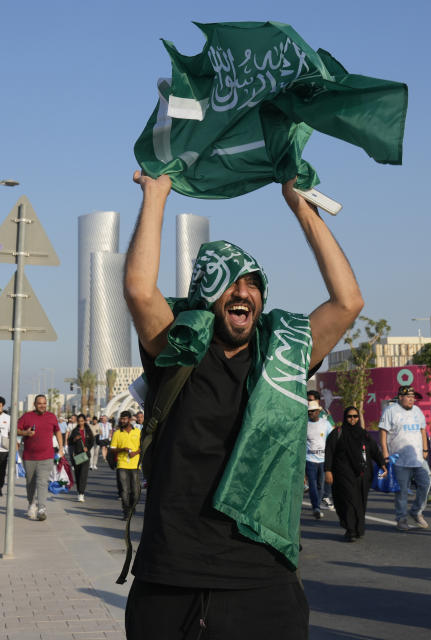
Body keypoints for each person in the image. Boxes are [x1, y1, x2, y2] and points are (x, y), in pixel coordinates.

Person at [122, 171, 362, 639]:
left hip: (264, 579)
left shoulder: (284, 354)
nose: (243, 291)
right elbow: (137, 289)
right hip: (171, 577)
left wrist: (301, 208)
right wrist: (156, 195)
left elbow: (347, 302)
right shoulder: (179, 350)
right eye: (231, 283)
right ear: (207, 295)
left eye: (253, 283)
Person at [325, 406, 387, 541]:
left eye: (355, 416)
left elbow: (374, 450)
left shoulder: (363, 434)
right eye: (349, 416)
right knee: (348, 501)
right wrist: (328, 470)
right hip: (343, 474)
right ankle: (350, 530)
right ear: (344, 418)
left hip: (362, 474)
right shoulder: (337, 433)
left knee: (360, 502)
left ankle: (358, 528)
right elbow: (329, 452)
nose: (352, 419)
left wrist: (383, 464)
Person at [379, 385, 431, 531]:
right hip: (399, 459)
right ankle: (401, 518)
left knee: (426, 483)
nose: (411, 400)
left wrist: (425, 449)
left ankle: (416, 511)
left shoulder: (417, 411)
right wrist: (385, 454)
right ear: (400, 397)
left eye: (413, 397)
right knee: (401, 491)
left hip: (417, 458)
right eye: (408, 397)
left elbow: (423, 431)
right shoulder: (390, 411)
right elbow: (383, 433)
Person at [17, 395, 64, 521]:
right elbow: (15, 430)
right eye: (39, 403)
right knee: (30, 483)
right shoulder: (27, 417)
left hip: (46, 456)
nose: (42, 405)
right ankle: (31, 504)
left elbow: (58, 431)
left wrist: (61, 447)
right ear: (34, 404)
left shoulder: (51, 417)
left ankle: (42, 508)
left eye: (44, 403)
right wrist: (26, 433)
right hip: (29, 457)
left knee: (42, 482)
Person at [305, 398, 334, 519]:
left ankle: (317, 504)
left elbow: (332, 438)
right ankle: (316, 507)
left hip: (323, 460)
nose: (311, 413)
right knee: (312, 485)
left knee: (320, 486)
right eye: (309, 412)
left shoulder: (325, 423)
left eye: (313, 411)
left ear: (318, 411)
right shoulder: (304, 425)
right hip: (309, 460)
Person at [109, 411, 141, 518]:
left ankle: (132, 506)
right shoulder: (117, 433)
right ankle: (126, 510)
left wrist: (135, 453)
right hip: (122, 464)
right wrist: (122, 449)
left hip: (135, 464)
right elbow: (112, 449)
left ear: (130, 419)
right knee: (124, 490)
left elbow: (143, 446)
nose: (122, 421)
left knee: (135, 492)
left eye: (125, 419)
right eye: (121, 419)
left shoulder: (137, 432)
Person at [69, 413, 97, 502]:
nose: (80, 423)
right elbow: (70, 442)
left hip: (85, 455)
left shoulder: (88, 430)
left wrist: (87, 448)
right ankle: (78, 491)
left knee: (83, 474)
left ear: (84, 421)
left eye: (82, 421)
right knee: (78, 474)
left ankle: (81, 493)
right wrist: (74, 439)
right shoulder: (75, 431)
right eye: (79, 421)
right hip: (77, 455)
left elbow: (92, 441)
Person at [0, 396, 9, 499]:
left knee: (2, 471)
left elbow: (12, 432)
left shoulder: (8, 418)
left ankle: (0, 486)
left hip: (3, 450)